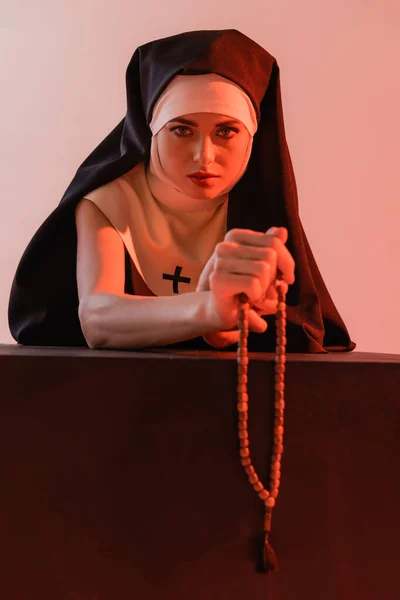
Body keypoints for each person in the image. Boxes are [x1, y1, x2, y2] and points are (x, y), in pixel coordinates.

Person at [8, 29, 355, 353]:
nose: (204, 155)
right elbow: (98, 320)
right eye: (182, 130)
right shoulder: (109, 200)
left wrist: (228, 328)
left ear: (252, 136)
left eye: (226, 132)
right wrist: (207, 310)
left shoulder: (259, 207)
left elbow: (289, 327)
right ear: (153, 131)